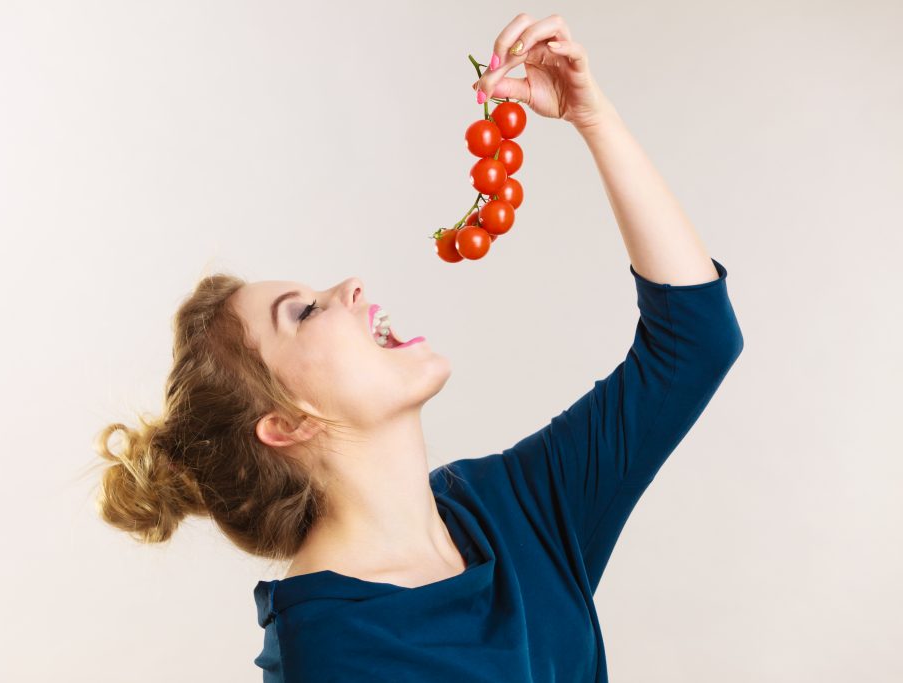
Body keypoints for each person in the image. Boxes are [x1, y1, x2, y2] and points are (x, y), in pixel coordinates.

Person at [94, 12, 744, 682]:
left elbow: (696, 343)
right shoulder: (332, 651)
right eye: (305, 311)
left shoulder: (506, 506)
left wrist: (592, 117)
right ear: (286, 422)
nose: (349, 286)